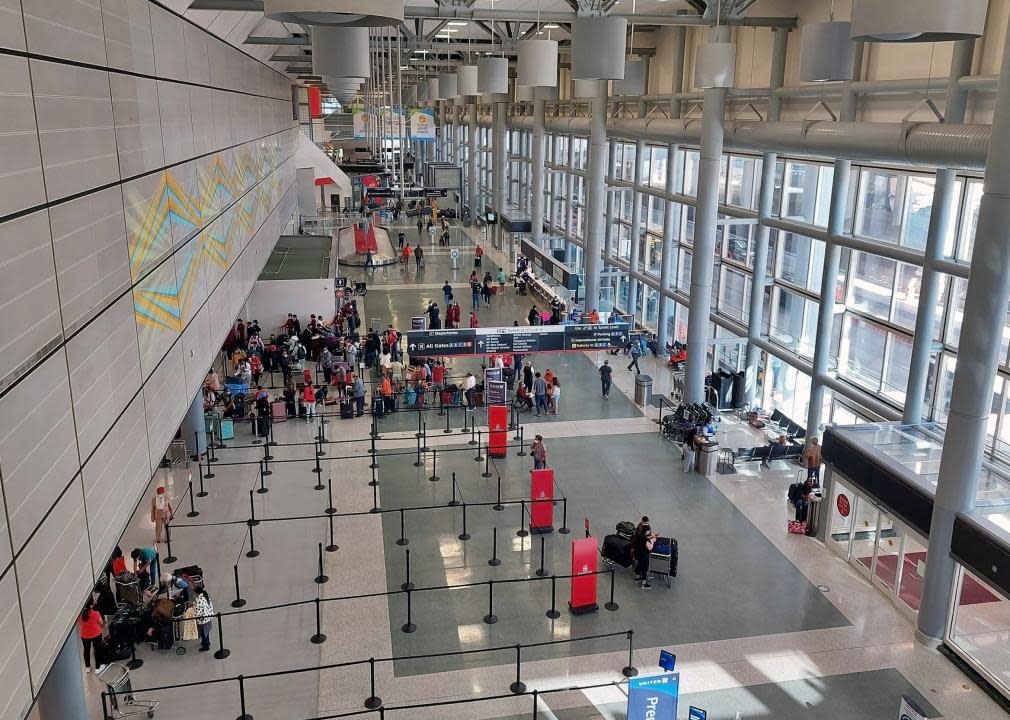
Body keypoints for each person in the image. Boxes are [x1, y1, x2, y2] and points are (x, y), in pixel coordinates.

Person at [78, 598, 107, 673]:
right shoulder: (95, 613)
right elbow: (101, 623)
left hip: (84, 635)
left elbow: (80, 624)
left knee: (86, 650)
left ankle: (87, 667)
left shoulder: (80, 615)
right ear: (91, 605)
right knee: (97, 649)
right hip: (96, 634)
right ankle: (98, 667)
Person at [631, 520, 656, 589]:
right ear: (647, 531)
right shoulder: (645, 539)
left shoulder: (639, 535)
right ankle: (644, 584)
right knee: (644, 568)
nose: (649, 531)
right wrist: (652, 541)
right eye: (649, 530)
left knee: (639, 565)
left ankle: (637, 578)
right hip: (644, 555)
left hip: (638, 554)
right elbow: (650, 547)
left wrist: (649, 538)